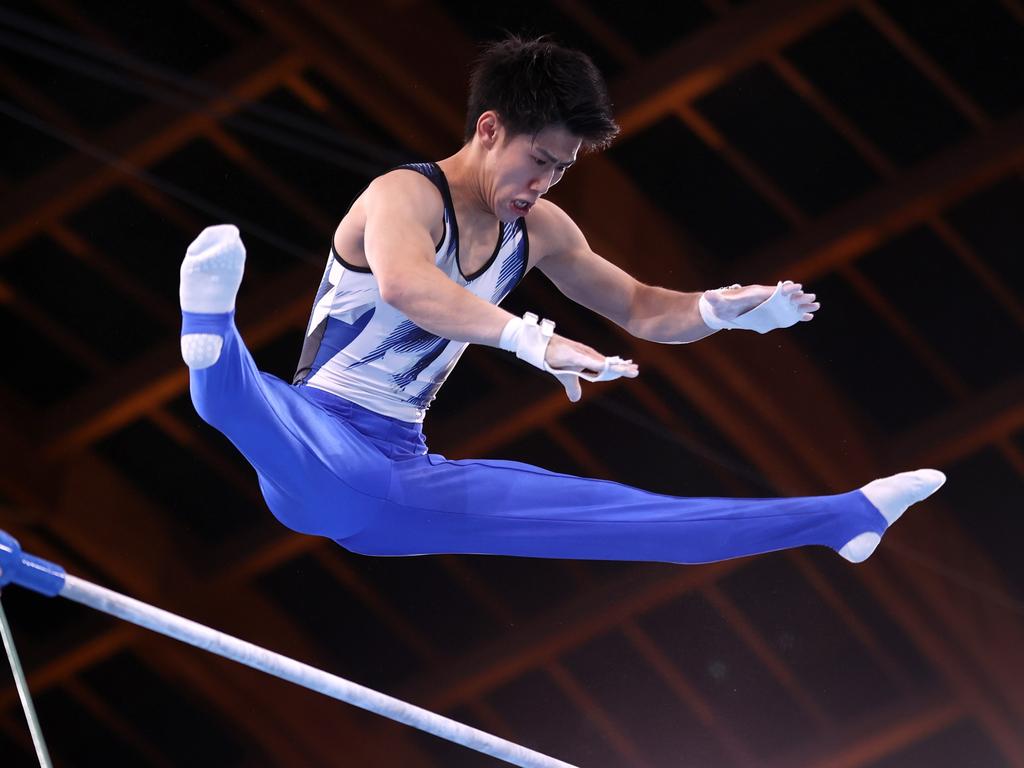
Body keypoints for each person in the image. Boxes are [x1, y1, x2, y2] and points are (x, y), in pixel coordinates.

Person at [178, 36, 944, 565]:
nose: (543, 183)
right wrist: (532, 341)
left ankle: (847, 518)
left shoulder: (538, 230)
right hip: (321, 436)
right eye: (538, 160)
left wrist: (720, 309)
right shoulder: (404, 197)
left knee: (628, 519)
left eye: (562, 169)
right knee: (249, 404)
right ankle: (211, 334)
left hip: (406, 477)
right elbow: (410, 288)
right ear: (489, 129)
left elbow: (643, 308)